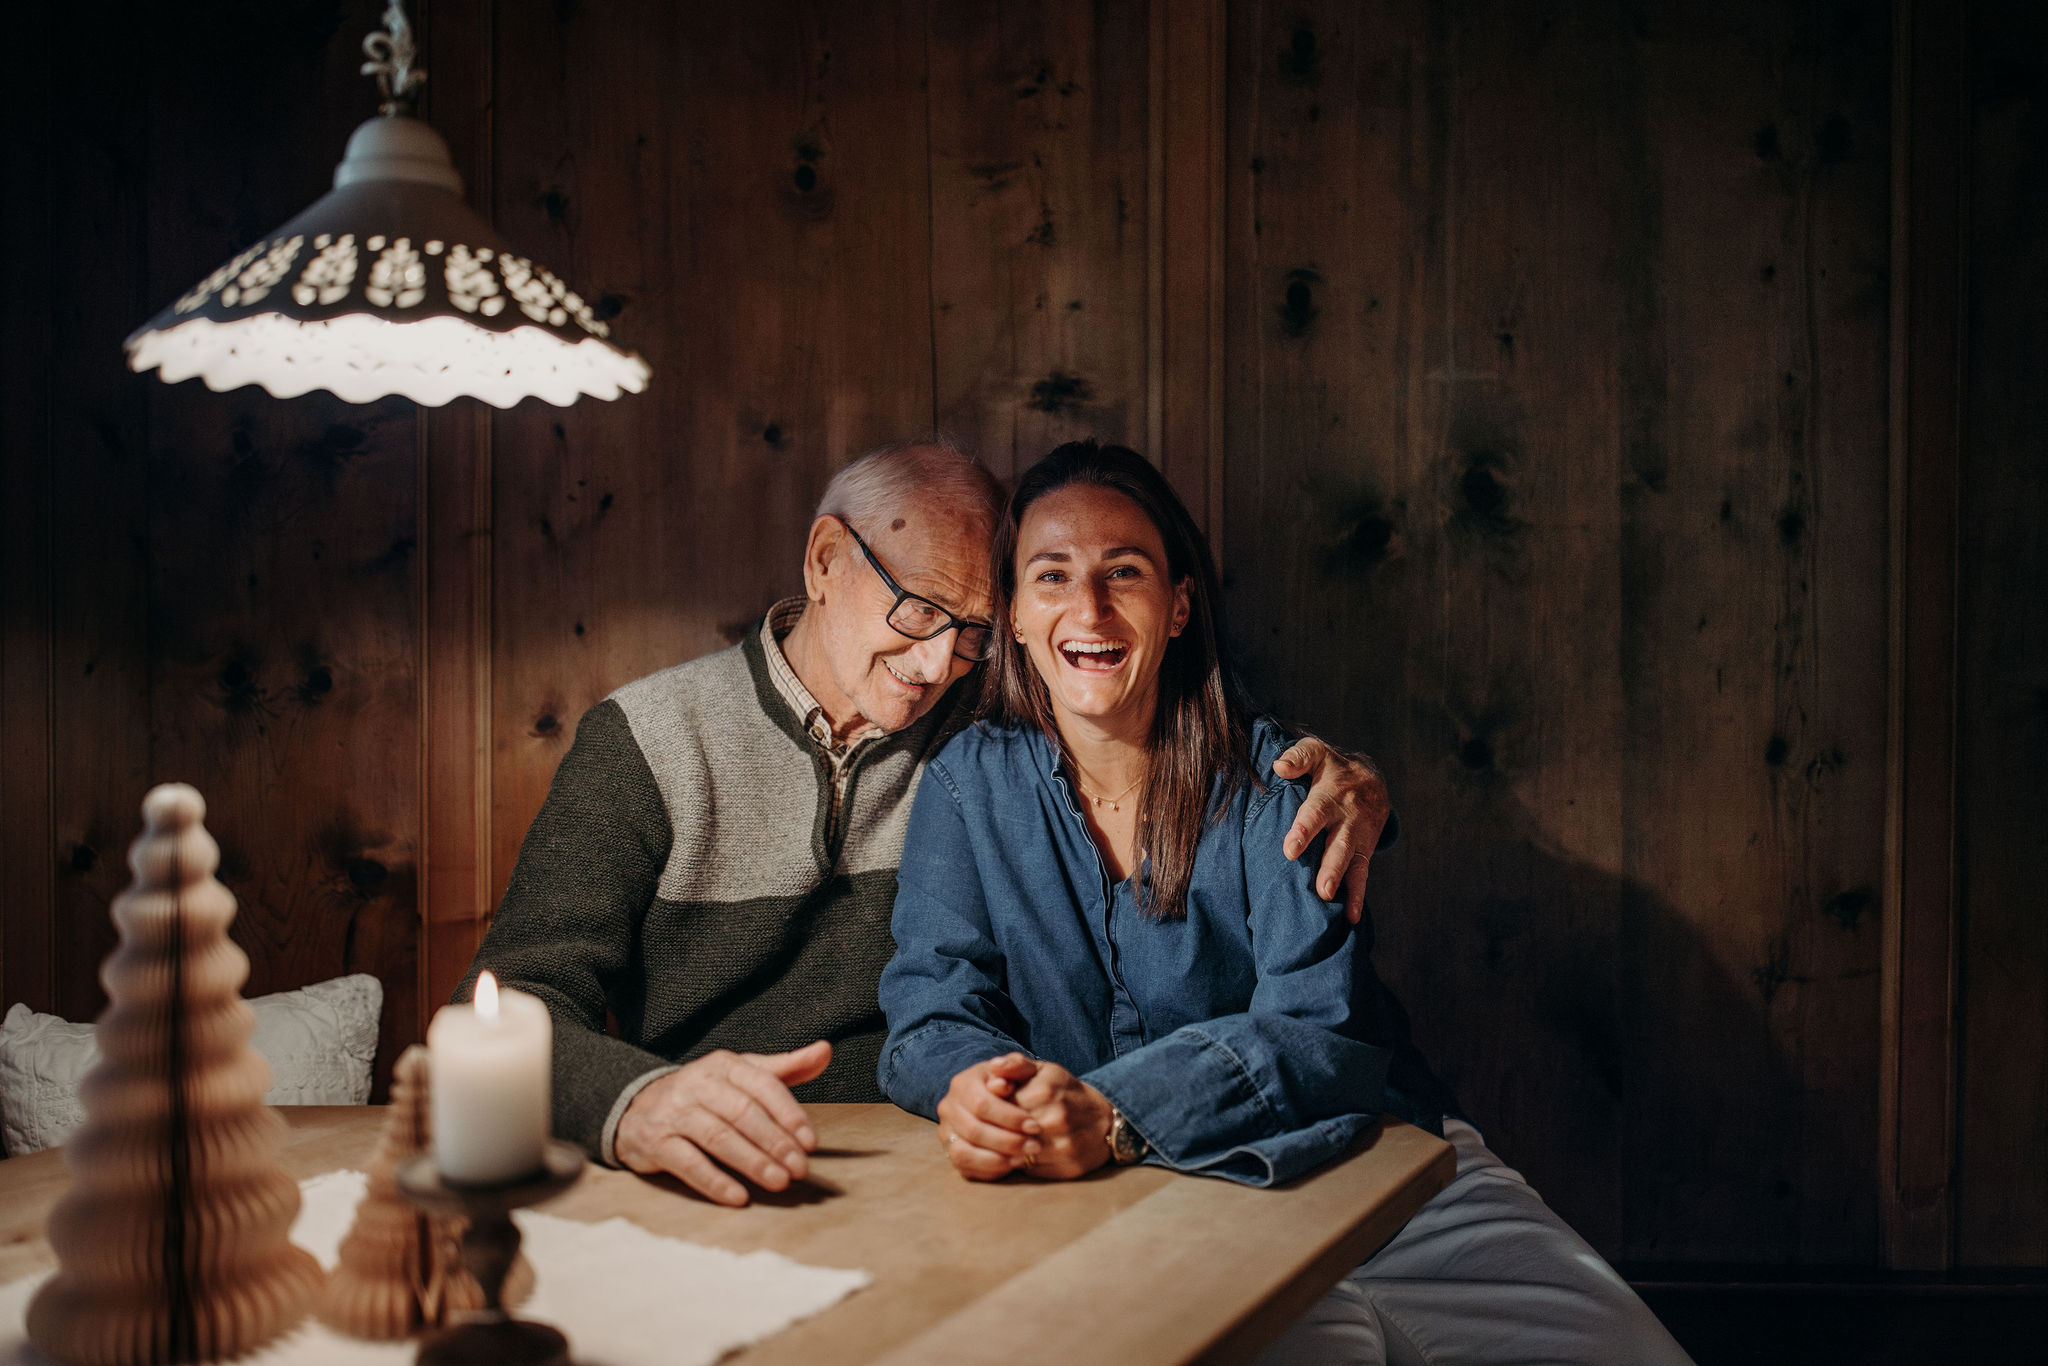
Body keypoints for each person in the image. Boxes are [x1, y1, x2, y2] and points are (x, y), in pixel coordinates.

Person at [878, 440, 1694, 1365]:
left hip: (1380, 1160)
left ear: (1180, 606)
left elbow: (1323, 1033)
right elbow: (931, 1006)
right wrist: (991, 1093)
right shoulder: (965, 787)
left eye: (1126, 572)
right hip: (1151, 1197)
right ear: (1017, 615)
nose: (1090, 607)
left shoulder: (1283, 782)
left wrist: (1107, 1114)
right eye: (1052, 574)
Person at [459, 437, 1396, 1207]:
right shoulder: (653, 742)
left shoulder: (986, 716)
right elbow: (502, 1004)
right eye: (915, 609)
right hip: (724, 1163)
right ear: (825, 561)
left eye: (974, 627)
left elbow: (1147, 696)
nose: (938, 660)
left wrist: (1360, 788)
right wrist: (636, 1101)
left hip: (953, 1161)